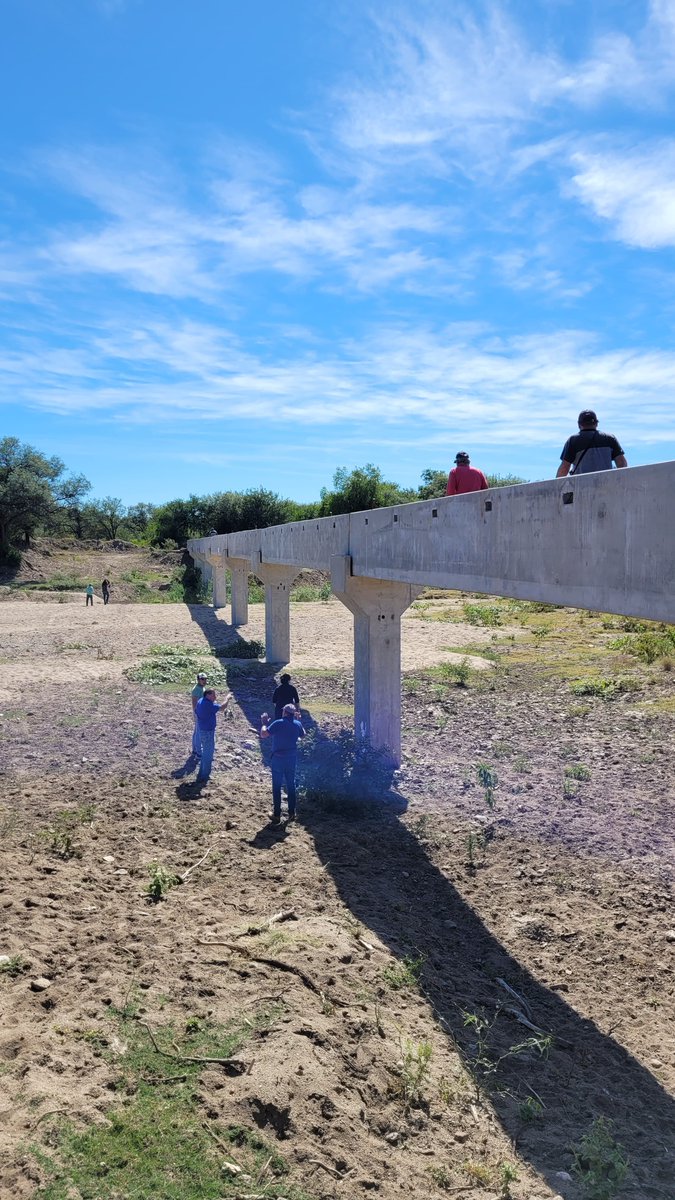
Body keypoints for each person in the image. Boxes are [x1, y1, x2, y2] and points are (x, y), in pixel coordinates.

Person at [260, 704, 305, 825]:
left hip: (278, 759)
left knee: (277, 786)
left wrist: (264, 723)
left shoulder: (278, 723)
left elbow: (264, 734)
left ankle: (276, 815)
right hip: (291, 759)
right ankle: (291, 813)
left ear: (284, 712)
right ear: (293, 713)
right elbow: (303, 735)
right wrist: (298, 721)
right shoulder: (297, 724)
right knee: (291, 785)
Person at [557, 411, 627, 477]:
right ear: (596, 424)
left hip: (582, 486)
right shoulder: (610, 438)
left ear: (579, 424)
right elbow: (622, 464)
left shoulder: (573, 440)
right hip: (606, 485)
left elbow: (565, 468)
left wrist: (556, 487)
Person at [194, 687, 230, 785]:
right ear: (208, 695)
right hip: (208, 732)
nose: (215, 697)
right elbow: (222, 707)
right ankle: (204, 776)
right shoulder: (207, 704)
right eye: (213, 695)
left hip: (202, 730)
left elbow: (196, 711)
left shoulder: (201, 701)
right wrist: (227, 698)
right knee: (208, 755)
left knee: (205, 753)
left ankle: (202, 774)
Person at [191, 671, 208, 758]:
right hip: (198, 713)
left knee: (196, 732)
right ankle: (198, 752)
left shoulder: (202, 688)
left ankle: (194, 750)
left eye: (205, 679)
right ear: (198, 680)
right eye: (202, 679)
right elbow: (194, 703)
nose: (204, 681)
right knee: (198, 733)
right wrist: (198, 714)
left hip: (201, 712)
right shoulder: (196, 689)